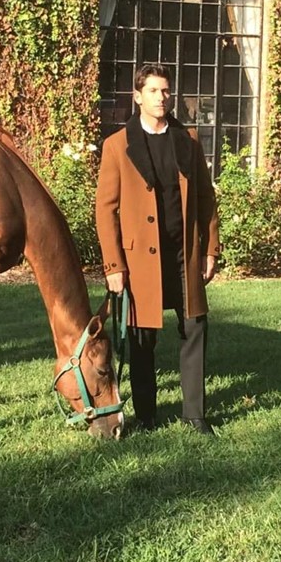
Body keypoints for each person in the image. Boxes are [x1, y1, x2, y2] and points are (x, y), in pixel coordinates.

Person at [95, 63, 221, 436]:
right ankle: (147, 416)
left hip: (184, 254)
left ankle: (195, 415)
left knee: (194, 328)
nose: (161, 98)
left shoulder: (189, 140)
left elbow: (205, 197)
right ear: (137, 97)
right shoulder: (118, 146)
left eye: (165, 91)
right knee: (142, 339)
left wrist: (210, 248)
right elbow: (105, 209)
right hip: (138, 261)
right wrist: (113, 265)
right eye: (153, 91)